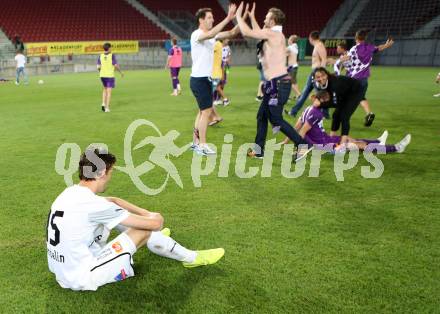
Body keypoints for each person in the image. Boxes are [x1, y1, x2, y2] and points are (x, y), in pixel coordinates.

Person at [47, 148, 225, 291]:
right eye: (110, 172)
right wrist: (153, 218)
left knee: (120, 219)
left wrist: (146, 213)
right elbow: (156, 223)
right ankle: (191, 258)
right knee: (146, 230)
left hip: (63, 272)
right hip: (83, 276)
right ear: (101, 173)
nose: (110, 177)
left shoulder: (71, 193)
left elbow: (114, 201)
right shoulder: (95, 206)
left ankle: (158, 239)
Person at [235, 3, 312, 161]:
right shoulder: (274, 34)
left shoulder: (274, 35)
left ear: (273, 20)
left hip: (278, 84)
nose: (265, 19)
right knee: (262, 116)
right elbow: (260, 33)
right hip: (275, 84)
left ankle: (302, 144)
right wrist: (252, 17)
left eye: (267, 17)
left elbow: (248, 32)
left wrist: (237, 15)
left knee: (275, 119)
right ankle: (259, 150)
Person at [287, 90, 411, 154]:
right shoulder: (316, 113)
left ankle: (378, 141)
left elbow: (297, 126)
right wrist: (298, 151)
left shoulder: (309, 108)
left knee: (351, 139)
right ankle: (395, 148)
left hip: (325, 140)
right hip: (325, 146)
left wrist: (286, 140)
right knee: (359, 145)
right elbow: (302, 131)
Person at [190, 4, 240, 155]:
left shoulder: (212, 35)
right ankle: (202, 145)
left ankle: (195, 142)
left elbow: (231, 32)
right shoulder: (197, 34)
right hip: (200, 79)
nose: (212, 20)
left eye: (212, 17)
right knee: (206, 113)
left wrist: (241, 20)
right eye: (209, 18)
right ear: (201, 20)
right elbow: (211, 34)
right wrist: (228, 18)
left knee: (201, 112)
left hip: (203, 79)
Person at [343, 29, 394, 126]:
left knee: (349, 97)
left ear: (356, 38)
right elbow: (379, 48)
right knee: (361, 97)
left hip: (354, 79)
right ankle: (369, 113)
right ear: (365, 38)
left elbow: (347, 58)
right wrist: (387, 45)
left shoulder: (354, 49)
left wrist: (336, 60)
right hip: (364, 80)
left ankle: (345, 116)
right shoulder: (369, 47)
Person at [313, 67, 367, 145]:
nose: (321, 78)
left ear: (327, 75)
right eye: (318, 77)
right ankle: (331, 138)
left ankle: (342, 144)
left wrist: (320, 105)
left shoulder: (334, 84)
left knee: (344, 116)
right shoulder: (319, 83)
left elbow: (335, 103)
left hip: (355, 91)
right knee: (335, 115)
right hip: (344, 93)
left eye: (323, 75)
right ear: (314, 78)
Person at [287, 30, 327, 117]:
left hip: (317, 73)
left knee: (320, 94)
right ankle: (293, 112)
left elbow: (324, 59)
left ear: (311, 38)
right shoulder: (317, 45)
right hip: (315, 73)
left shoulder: (319, 46)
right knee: (307, 92)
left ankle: (325, 114)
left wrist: (321, 75)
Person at [97, 43, 123, 113]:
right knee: (109, 92)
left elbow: (98, 67)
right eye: (110, 47)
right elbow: (116, 65)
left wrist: (101, 72)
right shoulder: (112, 55)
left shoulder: (100, 55)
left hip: (102, 75)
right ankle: (107, 108)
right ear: (109, 48)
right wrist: (121, 72)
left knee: (104, 89)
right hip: (109, 76)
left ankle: (103, 103)